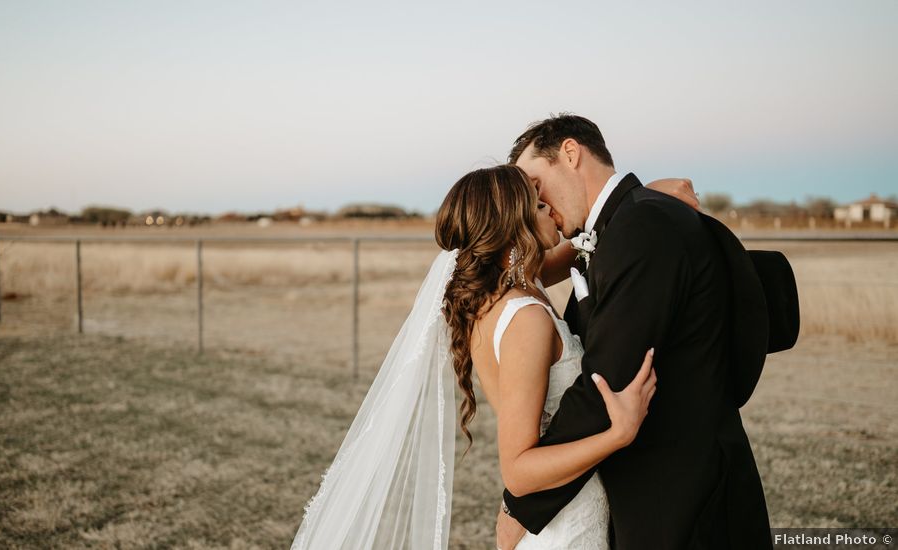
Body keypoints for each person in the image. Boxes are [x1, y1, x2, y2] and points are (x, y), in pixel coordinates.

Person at [290, 165, 697, 550]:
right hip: (564, 524)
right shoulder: (526, 320)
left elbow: (589, 240)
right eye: (539, 206)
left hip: (570, 505)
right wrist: (617, 435)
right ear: (513, 227)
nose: (551, 211)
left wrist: (641, 197)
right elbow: (518, 472)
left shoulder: (511, 288)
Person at [496, 114, 773, 550]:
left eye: (535, 183)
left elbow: (606, 383)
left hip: (681, 500)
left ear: (570, 153)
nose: (538, 203)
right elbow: (503, 268)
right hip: (654, 490)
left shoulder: (642, 228)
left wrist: (523, 506)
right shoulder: (624, 224)